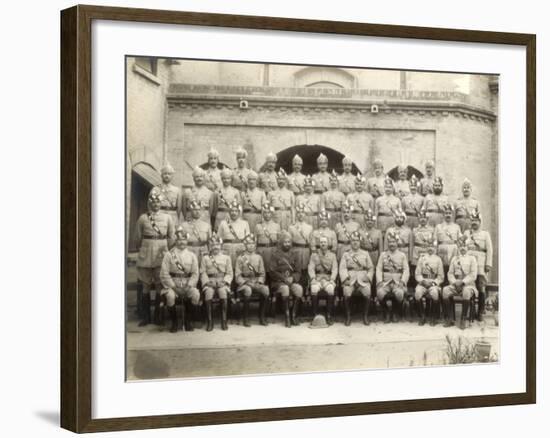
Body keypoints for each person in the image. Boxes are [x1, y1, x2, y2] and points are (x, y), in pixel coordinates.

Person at [135, 191, 176, 327]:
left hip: (161, 255)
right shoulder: (142, 218)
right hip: (146, 255)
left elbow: (172, 237)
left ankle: (159, 316)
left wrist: (164, 248)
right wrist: (145, 247)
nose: (155, 204)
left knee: (160, 285)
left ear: (161, 203)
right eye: (152, 201)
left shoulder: (167, 218)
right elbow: (137, 238)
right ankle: (146, 317)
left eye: (158, 201)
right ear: (149, 203)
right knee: (145, 286)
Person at [160, 228, 200, 332]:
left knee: (195, 294)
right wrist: (174, 287)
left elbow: (195, 274)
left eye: (184, 240)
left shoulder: (192, 255)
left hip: (187, 284)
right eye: (179, 240)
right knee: (170, 296)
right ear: (176, 241)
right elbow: (164, 273)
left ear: (187, 241)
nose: (182, 242)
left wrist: (189, 286)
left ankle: (188, 320)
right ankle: (174, 322)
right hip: (173, 285)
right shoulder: (169, 255)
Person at [442, 235, 478, 329]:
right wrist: (454, 282)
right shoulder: (454, 259)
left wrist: (463, 282)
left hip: (468, 285)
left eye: (464, 246)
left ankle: (463, 319)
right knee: (445, 290)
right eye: (460, 246)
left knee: (466, 292)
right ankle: (450, 318)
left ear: (467, 247)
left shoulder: (472, 259)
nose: (462, 248)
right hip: (455, 284)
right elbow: (450, 273)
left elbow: (473, 275)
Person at [339, 231, 375, 326]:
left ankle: (365, 316)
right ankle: (348, 316)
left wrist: (368, 277)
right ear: (350, 242)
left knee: (367, 291)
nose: (355, 242)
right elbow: (342, 268)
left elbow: (371, 268)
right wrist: (345, 279)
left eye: (357, 241)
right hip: (350, 278)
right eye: (353, 240)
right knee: (346, 291)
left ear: (360, 242)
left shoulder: (365, 253)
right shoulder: (346, 254)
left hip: (362, 278)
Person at [269, 231, 304, 327]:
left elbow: (298, 271)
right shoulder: (275, 254)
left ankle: (293, 316)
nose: (287, 244)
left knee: (299, 289)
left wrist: (293, 278)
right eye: (285, 242)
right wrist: (284, 279)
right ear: (281, 243)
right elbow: (272, 271)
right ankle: (287, 317)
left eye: (289, 242)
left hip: (291, 281)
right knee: (285, 289)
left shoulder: (295, 254)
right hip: (278, 282)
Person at [235, 234, 270, 327]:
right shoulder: (240, 258)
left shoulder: (259, 257)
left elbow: (262, 273)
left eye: (253, 244)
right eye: (248, 244)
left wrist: (259, 282)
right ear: (245, 245)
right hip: (245, 283)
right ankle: (246, 317)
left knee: (265, 290)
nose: (251, 246)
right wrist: (246, 282)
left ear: (255, 245)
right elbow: (237, 275)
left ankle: (261, 316)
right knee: (248, 290)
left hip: (256, 281)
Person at [464, 208, 493, 321]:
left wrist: (488, 264)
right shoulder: (467, 233)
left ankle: (480, 312)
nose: (474, 223)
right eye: (472, 220)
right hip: (469, 265)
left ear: (480, 222)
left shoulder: (485, 234)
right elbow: (461, 246)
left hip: (480, 264)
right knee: (468, 286)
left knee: (481, 288)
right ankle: (470, 312)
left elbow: (489, 250)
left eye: (476, 220)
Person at [200, 233, 233, 331]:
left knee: (223, 292)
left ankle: (224, 320)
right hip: (210, 282)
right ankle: (210, 321)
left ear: (221, 245)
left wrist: (225, 282)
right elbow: (202, 272)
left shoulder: (226, 258)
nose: (215, 247)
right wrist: (207, 282)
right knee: (208, 293)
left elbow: (229, 273)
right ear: (209, 246)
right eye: (212, 245)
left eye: (217, 245)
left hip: (222, 281)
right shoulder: (205, 258)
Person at [376, 230, 410, 323]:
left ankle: (395, 312)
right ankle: (387, 312)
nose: (392, 244)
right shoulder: (383, 255)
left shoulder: (402, 255)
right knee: (379, 293)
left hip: (397, 282)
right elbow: (378, 268)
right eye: (390, 242)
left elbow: (406, 270)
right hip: (385, 282)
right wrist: (379, 281)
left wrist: (403, 281)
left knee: (399, 294)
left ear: (397, 243)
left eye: (394, 242)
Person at [308, 235, 338, 325]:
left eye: (325, 242)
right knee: (314, 289)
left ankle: (329, 315)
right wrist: (312, 278)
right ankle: (315, 315)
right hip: (317, 278)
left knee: (330, 289)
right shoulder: (314, 255)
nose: (323, 244)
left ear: (328, 244)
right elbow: (311, 268)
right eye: (321, 242)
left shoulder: (332, 255)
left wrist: (332, 279)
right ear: (319, 244)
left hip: (328, 279)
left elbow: (335, 269)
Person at [414, 239, 444, 326]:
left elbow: (441, 276)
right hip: (423, 282)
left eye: (432, 247)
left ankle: (433, 317)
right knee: (418, 293)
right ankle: (422, 316)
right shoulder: (422, 258)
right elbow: (417, 273)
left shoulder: (438, 259)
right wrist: (422, 281)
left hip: (433, 282)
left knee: (435, 293)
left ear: (435, 248)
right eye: (429, 247)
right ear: (426, 248)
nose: (430, 248)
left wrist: (434, 283)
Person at [178, 200, 211, 265]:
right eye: (195, 210)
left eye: (199, 210)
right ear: (190, 211)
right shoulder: (183, 225)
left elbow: (209, 243)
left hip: (202, 252)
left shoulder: (207, 225)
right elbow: (179, 242)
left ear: (201, 211)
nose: (197, 212)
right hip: (189, 251)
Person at [217, 200, 250, 266]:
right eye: (232, 211)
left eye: (236, 211)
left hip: (240, 250)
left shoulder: (245, 223)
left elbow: (248, 241)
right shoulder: (223, 223)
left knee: (239, 268)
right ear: (229, 212)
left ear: (239, 212)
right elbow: (218, 239)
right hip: (227, 250)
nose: (233, 213)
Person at [289, 203, 313, 290]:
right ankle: (298, 295)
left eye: (302, 212)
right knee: (297, 272)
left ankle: (305, 293)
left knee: (305, 272)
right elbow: (290, 242)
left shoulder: (309, 227)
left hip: (306, 251)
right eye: (298, 212)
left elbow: (311, 242)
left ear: (305, 214)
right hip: (295, 251)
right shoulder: (292, 227)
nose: (300, 214)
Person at [435, 203, 460, 280]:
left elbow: (459, 241)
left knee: (452, 268)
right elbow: (435, 240)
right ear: (443, 215)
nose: (448, 215)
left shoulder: (456, 226)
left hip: (453, 250)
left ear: (452, 215)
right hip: (442, 249)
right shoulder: (438, 226)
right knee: (442, 269)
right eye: (446, 213)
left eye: (450, 213)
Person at [254, 201, 281, 274]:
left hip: (272, 250)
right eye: (265, 213)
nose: (267, 215)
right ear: (262, 214)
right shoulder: (258, 226)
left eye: (269, 212)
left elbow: (279, 241)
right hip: (261, 251)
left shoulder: (277, 226)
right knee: (262, 270)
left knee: (272, 270)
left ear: (272, 214)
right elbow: (255, 241)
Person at [411, 208, 435, 282]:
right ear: (418, 219)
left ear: (427, 219)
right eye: (421, 218)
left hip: (427, 250)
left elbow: (434, 242)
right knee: (416, 268)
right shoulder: (415, 230)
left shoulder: (432, 229)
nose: (423, 220)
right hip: (417, 250)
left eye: (424, 218)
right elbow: (412, 243)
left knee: (426, 266)